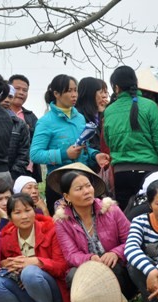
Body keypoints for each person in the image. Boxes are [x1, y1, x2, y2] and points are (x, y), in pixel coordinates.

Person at [0, 194, 70, 302]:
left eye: (27, 210)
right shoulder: (6, 237)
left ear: (34, 211)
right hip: (26, 292)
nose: (24, 216)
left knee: (29, 272)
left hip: (52, 292)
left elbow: (63, 267)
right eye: (17, 212)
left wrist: (37, 262)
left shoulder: (51, 230)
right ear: (10, 217)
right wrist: (3, 264)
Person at [52, 165, 136, 299]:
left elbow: (132, 238)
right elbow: (71, 254)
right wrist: (90, 259)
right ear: (67, 196)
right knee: (73, 275)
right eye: (79, 189)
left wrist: (115, 253)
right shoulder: (63, 222)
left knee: (114, 267)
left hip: (116, 266)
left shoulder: (111, 209)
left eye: (88, 186)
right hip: (88, 269)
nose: (87, 191)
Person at [30, 74, 109, 215]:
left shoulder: (79, 117)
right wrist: (64, 154)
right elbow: (35, 154)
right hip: (58, 183)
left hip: (82, 179)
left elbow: (84, 147)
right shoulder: (46, 121)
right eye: (69, 91)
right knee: (63, 224)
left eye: (75, 90)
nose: (74, 95)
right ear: (56, 94)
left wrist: (95, 155)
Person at [103, 66, 158, 210]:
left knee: (126, 218)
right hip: (148, 171)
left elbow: (109, 142)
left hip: (121, 173)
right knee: (150, 216)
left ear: (116, 88)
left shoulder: (109, 111)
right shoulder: (150, 106)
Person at [8, 74, 42, 181]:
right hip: (5, 170)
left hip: (28, 171)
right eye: (17, 89)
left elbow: (38, 141)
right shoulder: (0, 114)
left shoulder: (30, 117)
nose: (21, 93)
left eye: (25, 90)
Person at [75, 77, 109, 152]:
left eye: (106, 92)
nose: (103, 96)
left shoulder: (97, 114)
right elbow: (86, 143)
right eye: (100, 92)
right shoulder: (78, 115)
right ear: (91, 94)